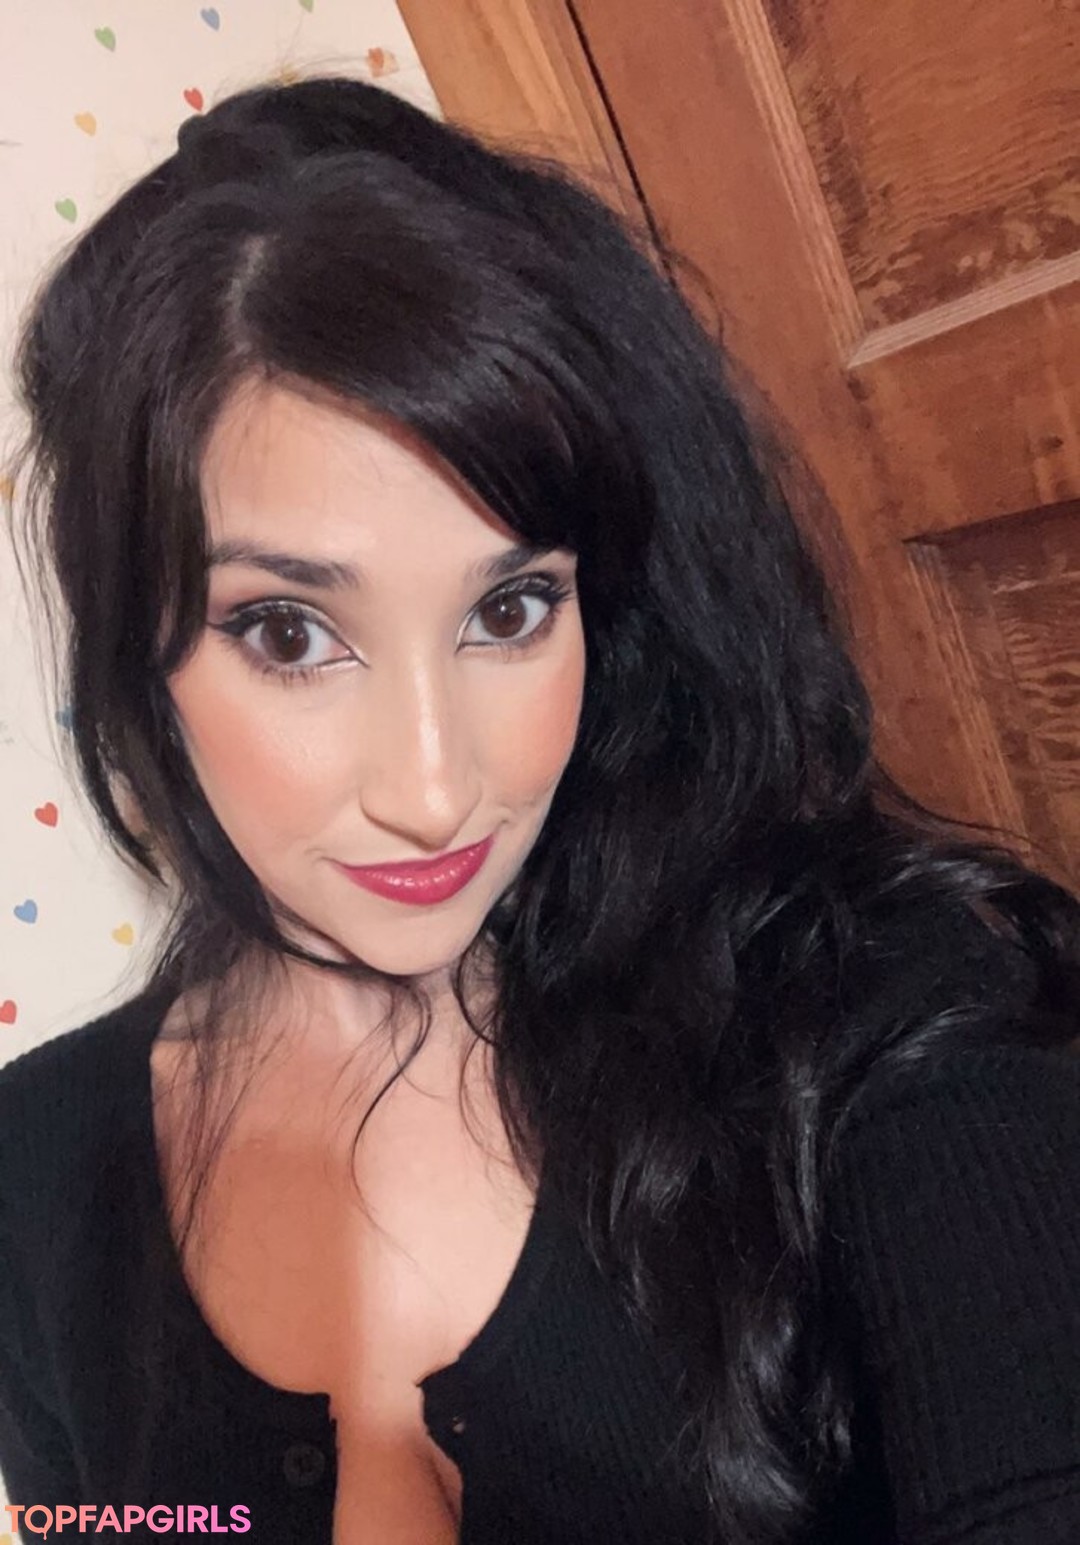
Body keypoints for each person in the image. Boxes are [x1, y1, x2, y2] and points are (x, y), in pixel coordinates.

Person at [1, 74, 1078, 1545]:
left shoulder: (870, 1015)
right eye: (291, 633)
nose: (438, 787)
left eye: (509, 609)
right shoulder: (34, 1175)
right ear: (143, 646)